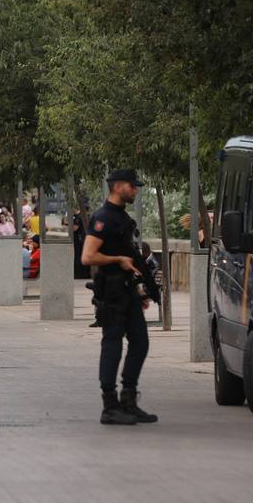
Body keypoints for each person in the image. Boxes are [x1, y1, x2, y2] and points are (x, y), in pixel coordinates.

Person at [82, 168, 158, 426]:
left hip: (127, 291)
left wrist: (140, 291)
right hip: (112, 291)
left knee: (140, 342)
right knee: (112, 345)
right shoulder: (102, 217)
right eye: (132, 186)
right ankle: (109, 405)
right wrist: (118, 260)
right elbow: (88, 256)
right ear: (117, 187)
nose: (135, 190)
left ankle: (128, 399)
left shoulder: (121, 217)